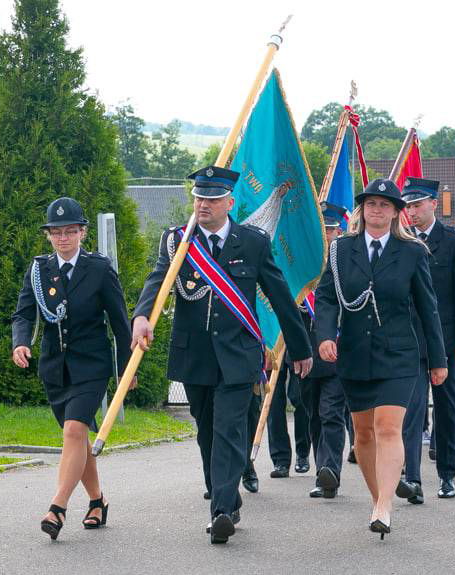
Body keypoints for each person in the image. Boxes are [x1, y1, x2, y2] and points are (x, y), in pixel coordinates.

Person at [131, 165, 312, 544]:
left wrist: (299, 349)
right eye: (199, 197)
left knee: (230, 429)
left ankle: (223, 511)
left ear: (229, 202)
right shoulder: (177, 241)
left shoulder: (253, 243)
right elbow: (158, 280)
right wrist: (142, 317)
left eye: (212, 199)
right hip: (194, 354)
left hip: (238, 355)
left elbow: (280, 297)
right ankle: (224, 495)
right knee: (207, 431)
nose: (204, 205)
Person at [316, 179, 447, 540]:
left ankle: (384, 506)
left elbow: (428, 308)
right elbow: (327, 297)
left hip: (400, 354)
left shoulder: (413, 252)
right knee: (362, 436)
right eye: (370, 204)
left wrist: (437, 359)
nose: (377, 210)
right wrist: (326, 335)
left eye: (384, 205)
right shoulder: (341, 250)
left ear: (395, 212)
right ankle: (380, 500)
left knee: (388, 427)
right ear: (362, 210)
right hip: (356, 354)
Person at [11, 197, 133, 540]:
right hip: (54, 367)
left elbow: (120, 322)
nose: (63, 238)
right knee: (76, 440)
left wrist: (126, 370)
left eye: (70, 231)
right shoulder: (39, 270)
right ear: (49, 236)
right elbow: (23, 313)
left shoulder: (99, 268)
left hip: (91, 366)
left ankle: (57, 508)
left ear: (82, 232)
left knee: (73, 432)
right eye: (56, 232)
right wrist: (21, 342)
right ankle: (97, 502)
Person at [399, 178, 455, 503]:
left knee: (447, 409)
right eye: (408, 206)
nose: (412, 212)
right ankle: (412, 479)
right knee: (412, 411)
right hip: (412, 343)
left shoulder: (453, 241)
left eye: (418, 205)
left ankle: (446, 475)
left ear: (433, 203)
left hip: (445, 342)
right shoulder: (401, 241)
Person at [300, 202, 349, 499]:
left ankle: (329, 471)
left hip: (338, 350)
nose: (326, 234)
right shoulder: (302, 265)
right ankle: (322, 468)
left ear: (338, 230)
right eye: (322, 229)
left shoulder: (345, 260)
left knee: (331, 412)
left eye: (330, 229)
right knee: (313, 414)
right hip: (306, 351)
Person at [267, 360, 311, 478]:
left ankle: (303, 452)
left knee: (300, 398)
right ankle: (280, 460)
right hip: (272, 343)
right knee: (273, 402)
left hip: (297, 345)